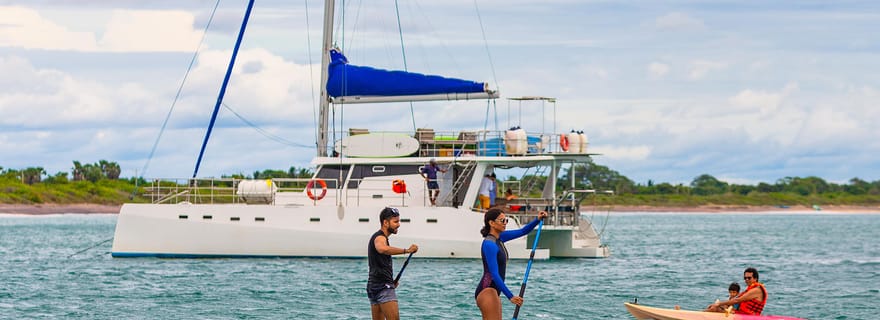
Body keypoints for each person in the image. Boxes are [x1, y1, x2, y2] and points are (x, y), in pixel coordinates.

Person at [475, 208, 548, 320]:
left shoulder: (500, 237)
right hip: (487, 290)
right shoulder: (489, 244)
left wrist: (537, 220)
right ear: (491, 223)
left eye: (506, 220)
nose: (505, 223)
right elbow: (494, 274)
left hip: (494, 291)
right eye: (502, 221)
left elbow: (523, 231)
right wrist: (510, 296)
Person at [367, 207, 419, 320]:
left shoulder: (381, 237)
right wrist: (407, 251)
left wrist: (391, 281)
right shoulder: (379, 237)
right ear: (385, 223)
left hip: (374, 286)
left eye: (399, 221)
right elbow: (382, 249)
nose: (399, 224)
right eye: (395, 222)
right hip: (382, 287)